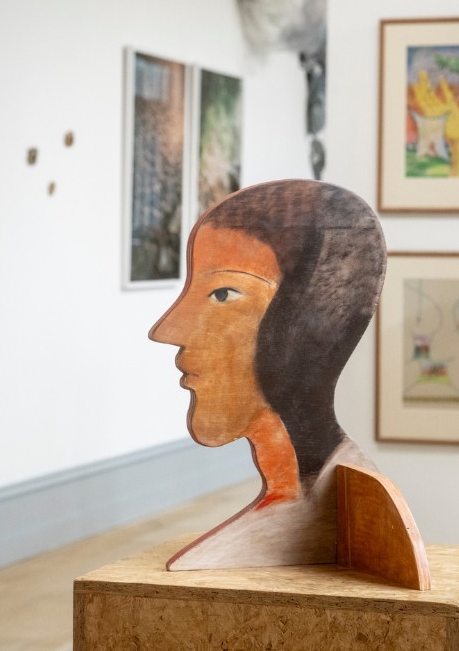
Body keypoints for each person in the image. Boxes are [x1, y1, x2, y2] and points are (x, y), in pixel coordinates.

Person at [150, 179, 387, 570]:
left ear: (305, 326)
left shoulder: (357, 504)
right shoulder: (322, 500)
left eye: (222, 294)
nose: (167, 329)